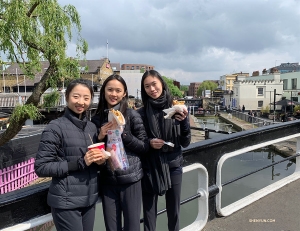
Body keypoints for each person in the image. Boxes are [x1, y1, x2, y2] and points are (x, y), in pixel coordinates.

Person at [34, 79, 106, 231]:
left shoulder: (92, 128)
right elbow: (42, 167)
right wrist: (80, 163)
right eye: (76, 96)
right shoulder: (55, 127)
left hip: (89, 198)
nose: (81, 102)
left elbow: (93, 163)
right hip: (66, 202)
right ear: (67, 97)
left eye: (86, 98)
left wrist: (101, 162)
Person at [91, 74, 149, 231]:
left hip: (131, 179)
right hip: (108, 181)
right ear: (104, 91)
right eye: (110, 89)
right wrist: (100, 136)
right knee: (112, 227)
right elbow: (92, 149)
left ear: (124, 93)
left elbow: (144, 147)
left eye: (118, 90)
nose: (113, 94)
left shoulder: (132, 115)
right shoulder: (97, 119)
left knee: (132, 226)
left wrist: (124, 134)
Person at [137, 70, 191, 231]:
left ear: (161, 84)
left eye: (154, 84)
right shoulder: (140, 114)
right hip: (149, 167)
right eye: (147, 86)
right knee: (149, 214)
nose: (152, 89)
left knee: (174, 211)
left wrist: (184, 123)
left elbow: (185, 142)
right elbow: (139, 142)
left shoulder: (177, 109)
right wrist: (149, 143)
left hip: (173, 165)